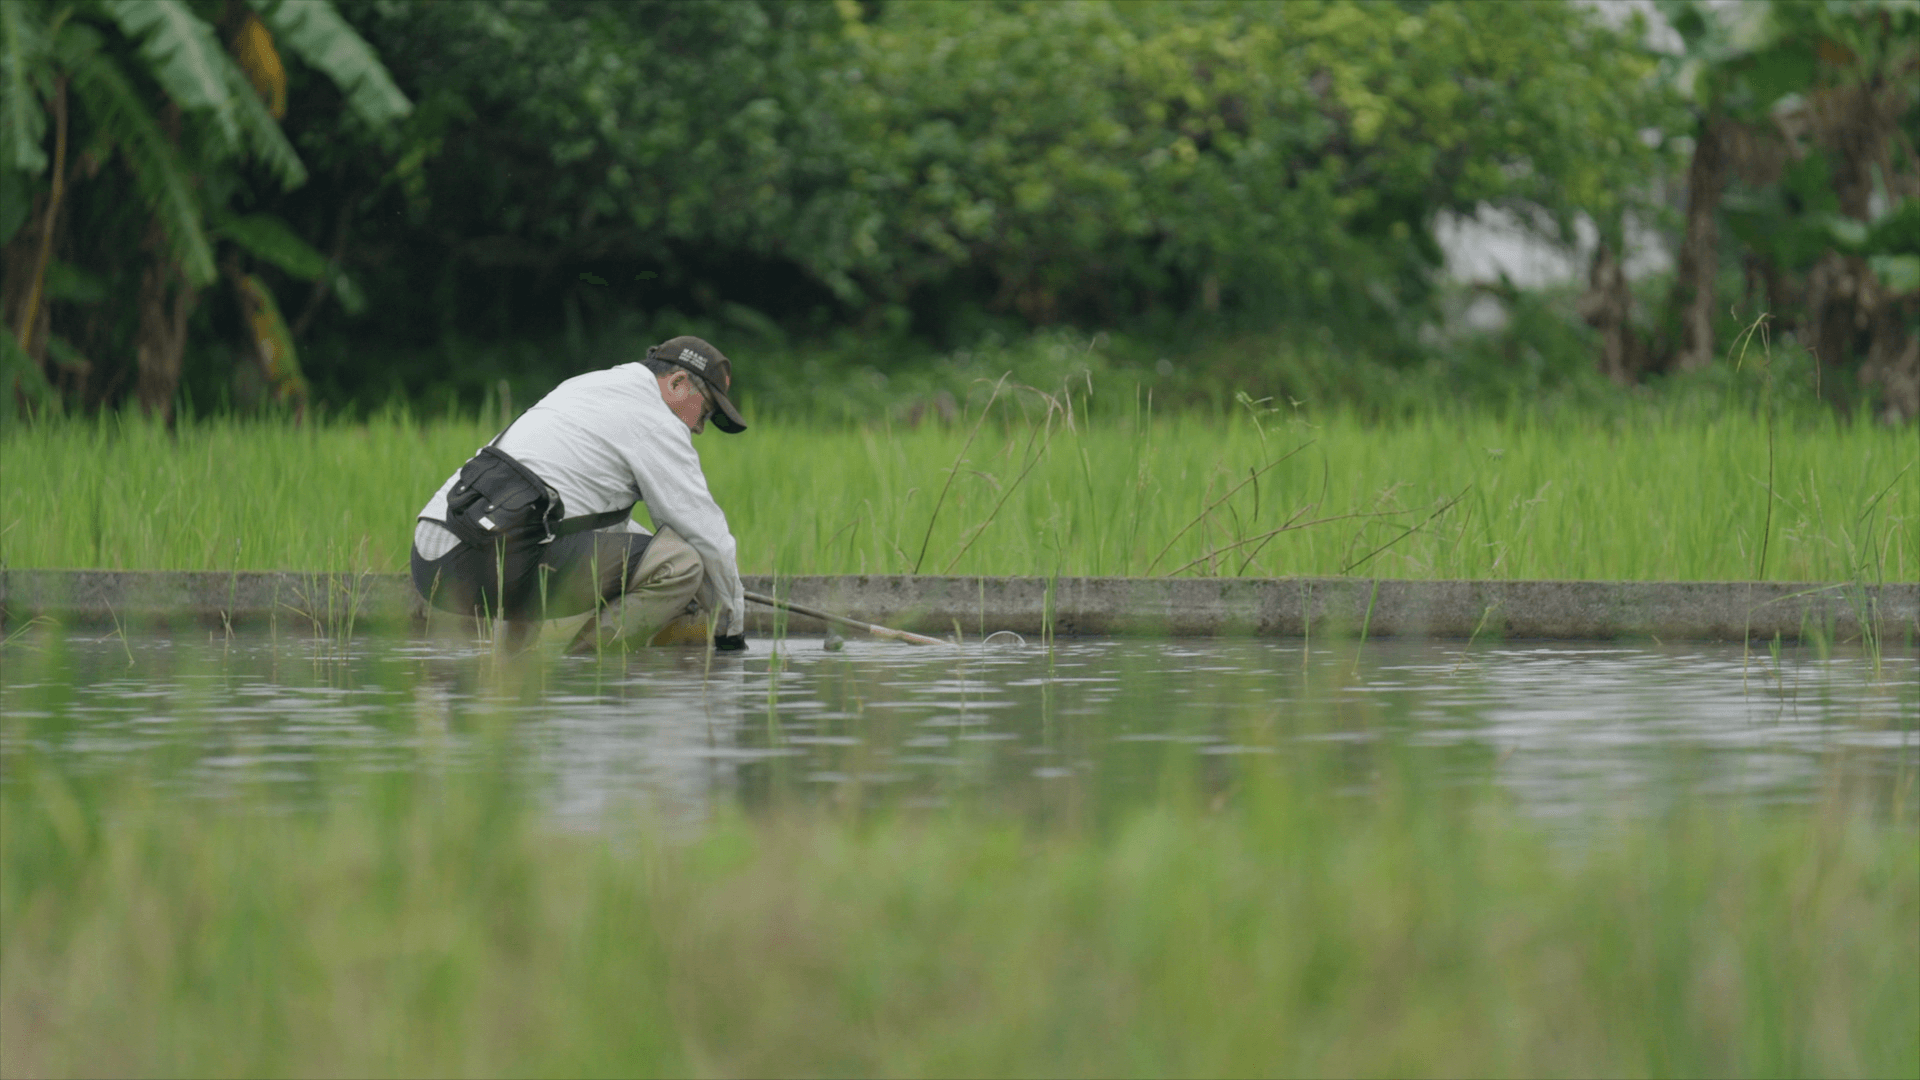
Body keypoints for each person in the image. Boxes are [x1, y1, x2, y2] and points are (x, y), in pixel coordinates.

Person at [410, 335, 750, 654]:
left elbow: (594, 525)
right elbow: (704, 534)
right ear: (677, 383)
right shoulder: (656, 418)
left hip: (432, 560)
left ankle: (510, 678)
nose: (699, 428)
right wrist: (731, 626)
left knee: (534, 533)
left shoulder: (588, 387)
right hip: (486, 561)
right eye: (704, 411)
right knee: (682, 564)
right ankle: (584, 674)